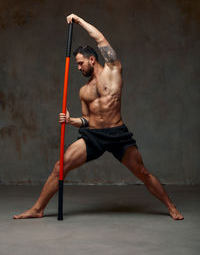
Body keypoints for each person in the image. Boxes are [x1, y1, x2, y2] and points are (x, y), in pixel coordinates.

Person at [14, 13, 184, 220]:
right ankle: (38, 209)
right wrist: (70, 121)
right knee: (60, 165)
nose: (78, 68)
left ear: (92, 59)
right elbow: (87, 120)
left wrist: (79, 21)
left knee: (142, 172)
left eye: (80, 63)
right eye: (76, 64)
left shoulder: (113, 71)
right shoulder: (84, 92)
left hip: (117, 134)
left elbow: (100, 39)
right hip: (93, 136)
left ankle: (170, 206)